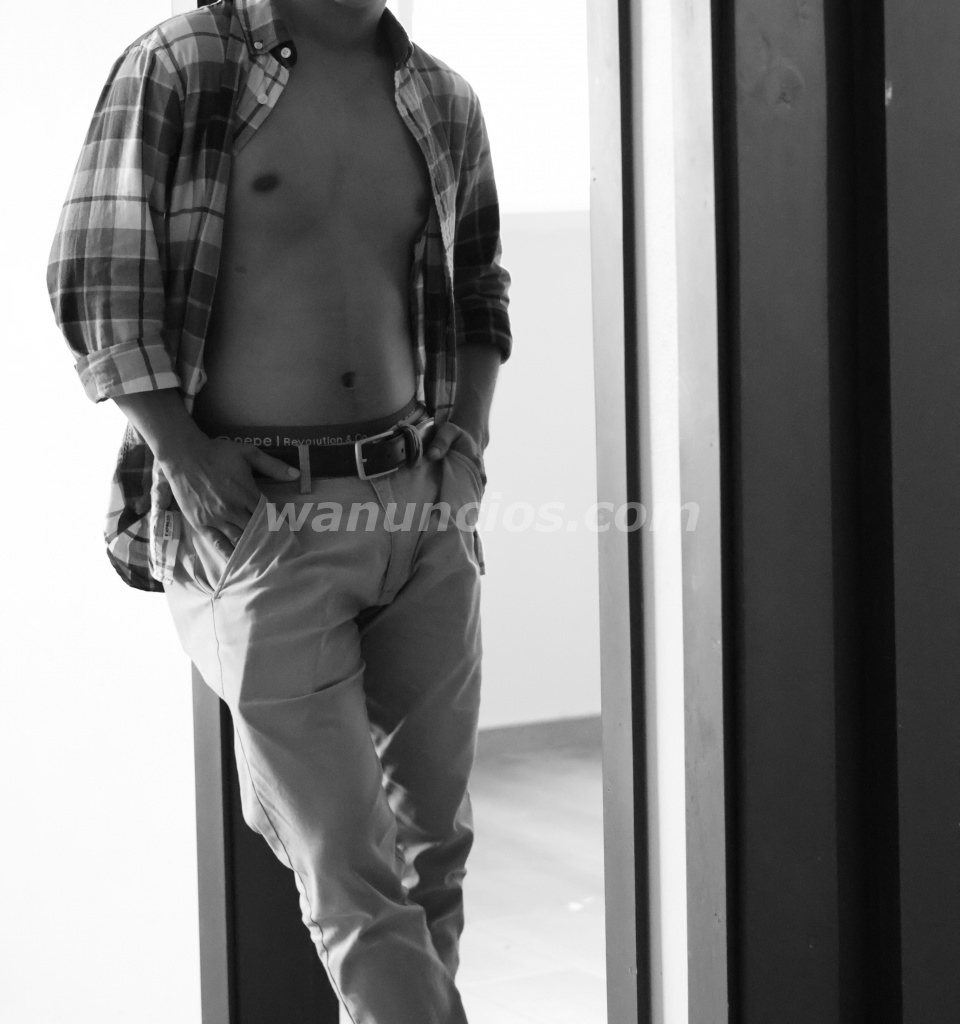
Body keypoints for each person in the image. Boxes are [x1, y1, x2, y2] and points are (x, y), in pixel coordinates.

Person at [47, 0, 511, 1020]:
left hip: (421, 506)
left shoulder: (442, 96)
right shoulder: (185, 65)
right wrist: (182, 453)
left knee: (434, 854)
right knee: (351, 878)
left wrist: (467, 450)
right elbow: (98, 276)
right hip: (263, 517)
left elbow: (478, 287)